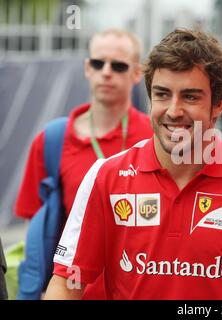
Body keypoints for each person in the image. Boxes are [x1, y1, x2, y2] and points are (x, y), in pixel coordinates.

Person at [44, 28, 222, 300]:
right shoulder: (106, 176)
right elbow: (67, 282)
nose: (173, 111)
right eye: (162, 94)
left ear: (218, 105)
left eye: (190, 96)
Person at [14, 29, 154, 299]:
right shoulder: (52, 140)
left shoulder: (155, 137)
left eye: (119, 65)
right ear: (88, 68)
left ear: (137, 73)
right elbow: (34, 225)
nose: (107, 72)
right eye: (99, 63)